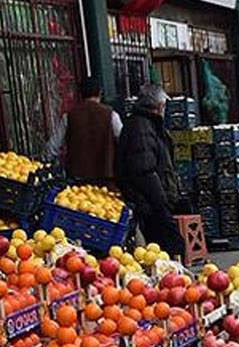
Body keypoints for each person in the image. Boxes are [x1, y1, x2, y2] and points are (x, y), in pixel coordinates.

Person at [117, 84, 183, 257]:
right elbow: (145, 170)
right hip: (149, 203)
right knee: (169, 247)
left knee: (164, 249)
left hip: (152, 201)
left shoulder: (147, 125)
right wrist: (161, 202)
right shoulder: (142, 127)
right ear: (160, 106)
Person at [44, 77, 121, 184]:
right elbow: (123, 141)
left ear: (80, 95)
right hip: (105, 177)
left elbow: (53, 146)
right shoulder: (111, 115)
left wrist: (46, 163)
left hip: (77, 179)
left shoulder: (69, 116)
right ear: (100, 93)